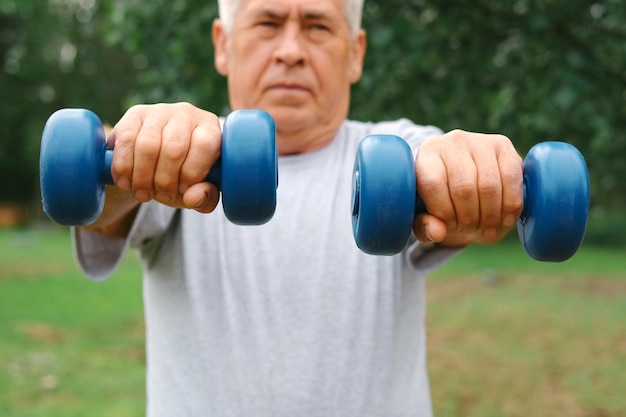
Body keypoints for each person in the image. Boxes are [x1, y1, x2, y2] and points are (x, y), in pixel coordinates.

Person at [73, 0, 523, 415]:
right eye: (267, 23)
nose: (291, 51)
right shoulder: (179, 156)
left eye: (318, 25)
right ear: (222, 45)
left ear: (355, 53)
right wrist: (133, 156)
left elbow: (464, 207)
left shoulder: (400, 154)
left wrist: (476, 172)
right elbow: (98, 216)